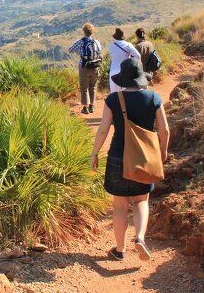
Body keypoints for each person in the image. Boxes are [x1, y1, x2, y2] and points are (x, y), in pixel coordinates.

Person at [90, 57, 170, 262]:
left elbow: (103, 130)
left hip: (117, 157)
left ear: (123, 79)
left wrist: (95, 153)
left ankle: (120, 250)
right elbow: (164, 130)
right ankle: (140, 238)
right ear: (141, 77)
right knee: (141, 200)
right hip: (143, 158)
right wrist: (162, 152)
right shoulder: (153, 98)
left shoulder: (113, 99)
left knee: (119, 206)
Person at [68, 23, 102, 114]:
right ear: (92, 31)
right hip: (95, 67)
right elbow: (99, 52)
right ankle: (92, 106)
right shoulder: (96, 42)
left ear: (84, 31)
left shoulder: (80, 42)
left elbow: (70, 50)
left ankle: (85, 107)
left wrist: (80, 52)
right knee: (93, 86)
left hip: (84, 66)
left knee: (84, 87)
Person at [108, 28, 140, 93]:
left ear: (115, 37)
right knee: (126, 94)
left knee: (114, 94)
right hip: (125, 71)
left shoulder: (111, 46)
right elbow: (138, 56)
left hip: (113, 71)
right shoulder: (128, 45)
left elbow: (111, 59)